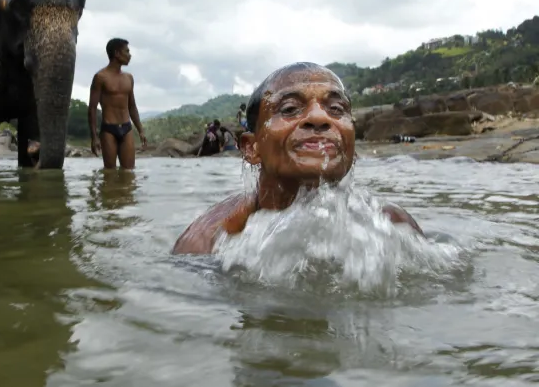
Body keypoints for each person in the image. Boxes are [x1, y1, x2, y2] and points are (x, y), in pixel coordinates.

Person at [172, 62, 423, 255]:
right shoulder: (208, 243)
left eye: (336, 109)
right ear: (251, 148)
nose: (319, 117)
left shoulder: (395, 227)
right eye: (290, 109)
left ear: (351, 147)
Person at [88, 38, 147, 169]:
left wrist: (141, 130)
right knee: (109, 174)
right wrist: (94, 137)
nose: (129, 55)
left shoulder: (129, 78)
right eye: (127, 51)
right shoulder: (100, 77)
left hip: (127, 128)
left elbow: (132, 106)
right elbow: (92, 108)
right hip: (109, 129)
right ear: (117, 53)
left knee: (129, 172)